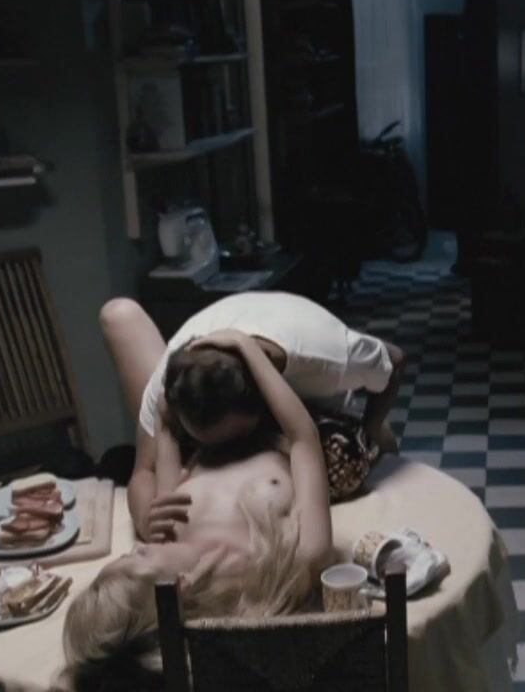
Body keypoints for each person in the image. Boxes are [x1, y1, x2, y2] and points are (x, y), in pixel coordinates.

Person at [62, 329, 333, 690]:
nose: (138, 544)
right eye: (138, 557)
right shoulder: (288, 560)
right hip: (268, 418)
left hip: (203, 427)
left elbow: (167, 432)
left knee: (121, 318)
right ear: (179, 587)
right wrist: (246, 348)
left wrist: (169, 407)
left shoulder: (168, 534)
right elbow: (303, 439)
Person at [98, 292, 404, 542]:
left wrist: (372, 427)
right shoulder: (166, 390)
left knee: (376, 446)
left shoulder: (329, 356)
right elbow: (144, 472)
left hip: (308, 386)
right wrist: (147, 519)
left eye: (237, 442)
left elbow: (395, 360)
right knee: (116, 314)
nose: (230, 460)